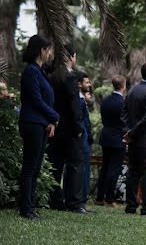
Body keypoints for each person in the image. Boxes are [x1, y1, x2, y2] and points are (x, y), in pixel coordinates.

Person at [17, 35, 59, 220]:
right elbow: (36, 99)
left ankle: (31, 206)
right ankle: (25, 208)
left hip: (41, 124)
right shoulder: (31, 71)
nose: (50, 53)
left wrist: (50, 121)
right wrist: (54, 116)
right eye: (48, 49)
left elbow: (46, 98)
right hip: (32, 123)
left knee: (35, 168)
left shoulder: (40, 71)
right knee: (29, 167)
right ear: (41, 50)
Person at [48, 43, 85, 213]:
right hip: (70, 128)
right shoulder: (70, 77)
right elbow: (74, 105)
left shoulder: (53, 76)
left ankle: (55, 200)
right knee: (75, 164)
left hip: (55, 127)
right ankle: (75, 203)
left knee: (56, 164)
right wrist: (78, 127)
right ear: (72, 56)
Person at [122, 62, 146, 216]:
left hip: (133, 140)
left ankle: (130, 206)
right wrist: (131, 132)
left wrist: (128, 132)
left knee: (133, 172)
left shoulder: (132, 90)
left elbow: (124, 112)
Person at [96, 75, 126, 207]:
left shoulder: (106, 101)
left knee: (105, 168)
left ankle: (99, 197)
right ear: (123, 86)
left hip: (106, 135)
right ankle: (110, 198)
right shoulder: (123, 103)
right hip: (118, 137)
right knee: (114, 169)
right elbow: (124, 121)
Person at [76, 71, 94, 210]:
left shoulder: (82, 99)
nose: (89, 85)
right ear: (79, 84)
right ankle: (80, 202)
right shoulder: (78, 99)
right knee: (82, 170)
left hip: (85, 138)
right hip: (81, 139)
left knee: (85, 170)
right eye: (87, 82)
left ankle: (82, 201)